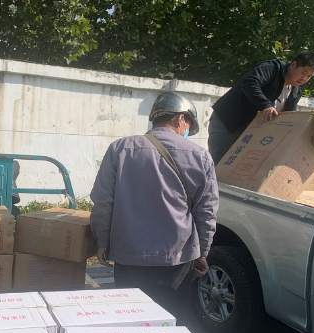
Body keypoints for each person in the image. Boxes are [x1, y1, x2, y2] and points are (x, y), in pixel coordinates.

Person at [90, 92, 219, 289]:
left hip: (129, 254)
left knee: (131, 307)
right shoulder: (201, 156)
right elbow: (206, 211)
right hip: (177, 256)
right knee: (170, 309)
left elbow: (103, 201)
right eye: (188, 126)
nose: (186, 132)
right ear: (180, 118)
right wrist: (202, 252)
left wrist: (102, 242)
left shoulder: (120, 149)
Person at [208, 50, 314, 165]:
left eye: (309, 76)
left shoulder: (295, 93)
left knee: (236, 169)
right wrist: (265, 105)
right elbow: (249, 82)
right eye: (303, 72)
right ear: (293, 65)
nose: (304, 78)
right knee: (219, 166)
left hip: (250, 133)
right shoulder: (273, 68)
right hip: (228, 122)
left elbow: (288, 118)